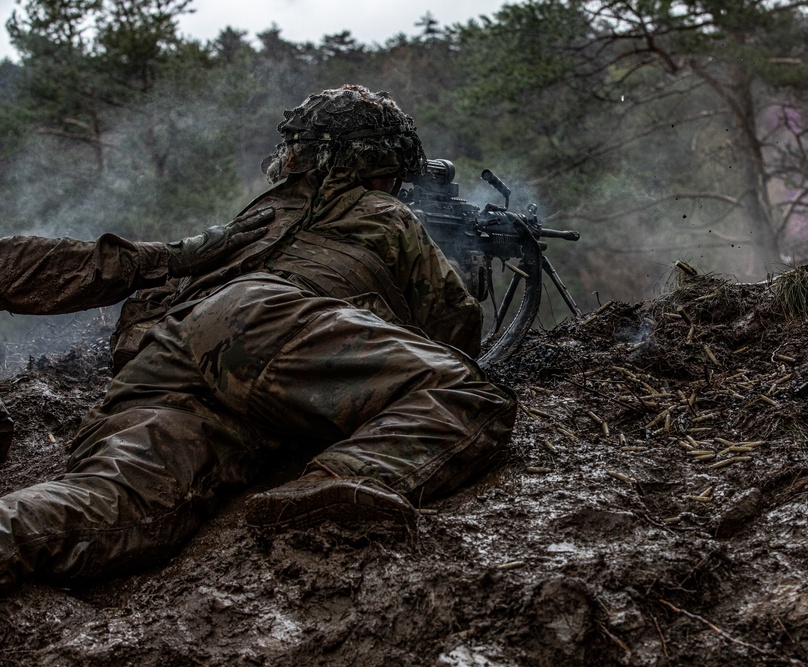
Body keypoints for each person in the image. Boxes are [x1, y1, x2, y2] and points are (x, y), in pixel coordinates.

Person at [0, 85, 517, 593]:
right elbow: (453, 336)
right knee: (464, 395)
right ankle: (332, 486)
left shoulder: (257, 216)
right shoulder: (384, 212)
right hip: (261, 323)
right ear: (386, 161)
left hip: (162, 363)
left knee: (114, 505)